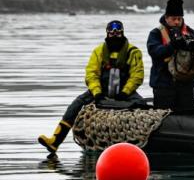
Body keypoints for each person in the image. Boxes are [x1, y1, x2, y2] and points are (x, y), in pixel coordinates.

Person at [38, 20, 145, 153]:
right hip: (101, 90)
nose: (115, 35)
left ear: (122, 33)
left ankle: (142, 141)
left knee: (142, 105)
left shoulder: (133, 52)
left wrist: (125, 92)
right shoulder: (98, 51)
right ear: (107, 33)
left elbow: (137, 75)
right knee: (76, 104)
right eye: (111, 33)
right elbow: (91, 74)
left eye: (118, 32)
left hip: (125, 92)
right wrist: (97, 93)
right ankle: (55, 140)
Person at [147, 0, 194, 111]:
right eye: (174, 19)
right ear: (166, 18)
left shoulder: (188, 31)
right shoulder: (156, 33)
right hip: (163, 85)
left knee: (188, 117)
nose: (177, 22)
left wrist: (188, 43)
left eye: (179, 19)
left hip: (185, 85)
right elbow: (154, 51)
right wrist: (172, 45)